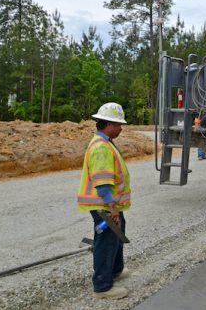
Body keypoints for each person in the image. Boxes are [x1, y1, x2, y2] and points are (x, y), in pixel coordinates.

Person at [77, 102, 131, 299]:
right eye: (118, 125)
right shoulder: (101, 148)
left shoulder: (106, 142)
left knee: (117, 236)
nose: (120, 128)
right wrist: (112, 207)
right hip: (105, 206)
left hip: (109, 205)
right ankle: (102, 287)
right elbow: (102, 183)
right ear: (108, 124)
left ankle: (115, 271)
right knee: (106, 242)